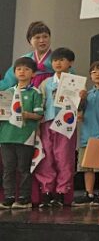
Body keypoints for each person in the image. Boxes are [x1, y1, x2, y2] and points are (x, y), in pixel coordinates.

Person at [36, 48, 82, 208]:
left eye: (62, 60)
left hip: (66, 122)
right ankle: (47, 191)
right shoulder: (46, 83)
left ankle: (63, 192)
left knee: (64, 156)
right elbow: (40, 103)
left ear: (70, 63)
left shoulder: (76, 82)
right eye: (55, 60)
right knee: (46, 156)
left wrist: (82, 98)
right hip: (47, 121)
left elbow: (81, 106)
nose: (58, 63)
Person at [0, 57, 43, 209]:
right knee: (8, 168)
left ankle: (25, 198)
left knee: (23, 169)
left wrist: (27, 115)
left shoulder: (35, 93)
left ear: (33, 73)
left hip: (25, 136)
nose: (22, 72)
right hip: (6, 136)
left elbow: (39, 115)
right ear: (14, 72)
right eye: (19, 69)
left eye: (26, 69)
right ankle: (9, 196)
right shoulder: (6, 93)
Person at [72, 61, 99, 206]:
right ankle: (89, 193)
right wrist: (80, 99)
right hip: (86, 135)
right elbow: (79, 114)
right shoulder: (87, 93)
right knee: (87, 167)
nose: (97, 74)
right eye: (94, 72)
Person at [0, 21, 54, 90]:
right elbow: (8, 82)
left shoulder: (57, 58)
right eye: (37, 37)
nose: (42, 40)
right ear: (30, 41)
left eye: (45, 36)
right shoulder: (24, 59)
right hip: (27, 96)